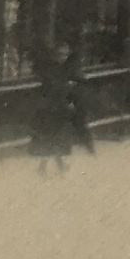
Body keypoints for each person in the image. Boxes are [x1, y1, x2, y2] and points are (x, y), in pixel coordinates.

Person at [31, 46, 94, 175]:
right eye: (59, 54)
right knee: (52, 137)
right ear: (54, 55)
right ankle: (48, 166)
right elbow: (51, 87)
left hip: (60, 108)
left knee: (55, 138)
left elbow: (78, 82)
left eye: (65, 55)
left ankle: (50, 166)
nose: (62, 57)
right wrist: (66, 86)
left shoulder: (66, 68)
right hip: (50, 108)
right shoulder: (50, 69)